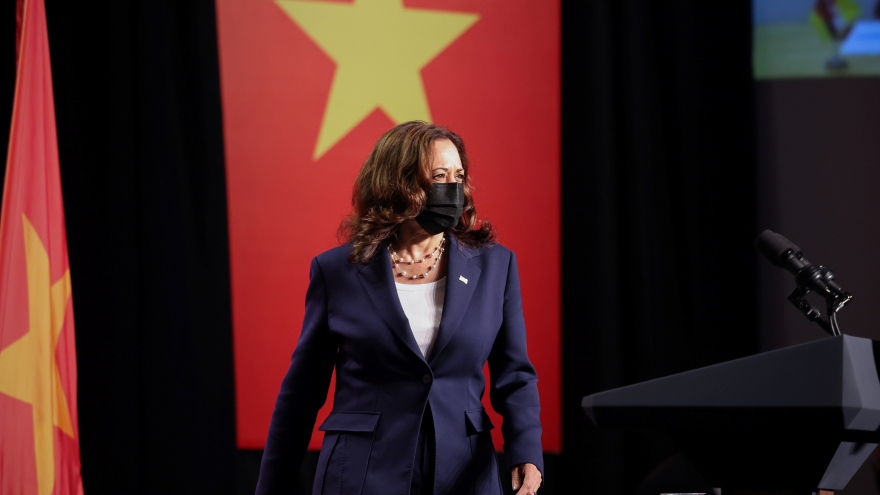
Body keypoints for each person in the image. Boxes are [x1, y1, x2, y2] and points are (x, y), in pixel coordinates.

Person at [255, 121, 543, 495]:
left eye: (458, 176)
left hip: (465, 474)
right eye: (439, 176)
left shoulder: (496, 266)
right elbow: (302, 392)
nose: (453, 189)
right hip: (361, 474)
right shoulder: (337, 271)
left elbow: (515, 376)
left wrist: (526, 453)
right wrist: (271, 485)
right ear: (398, 184)